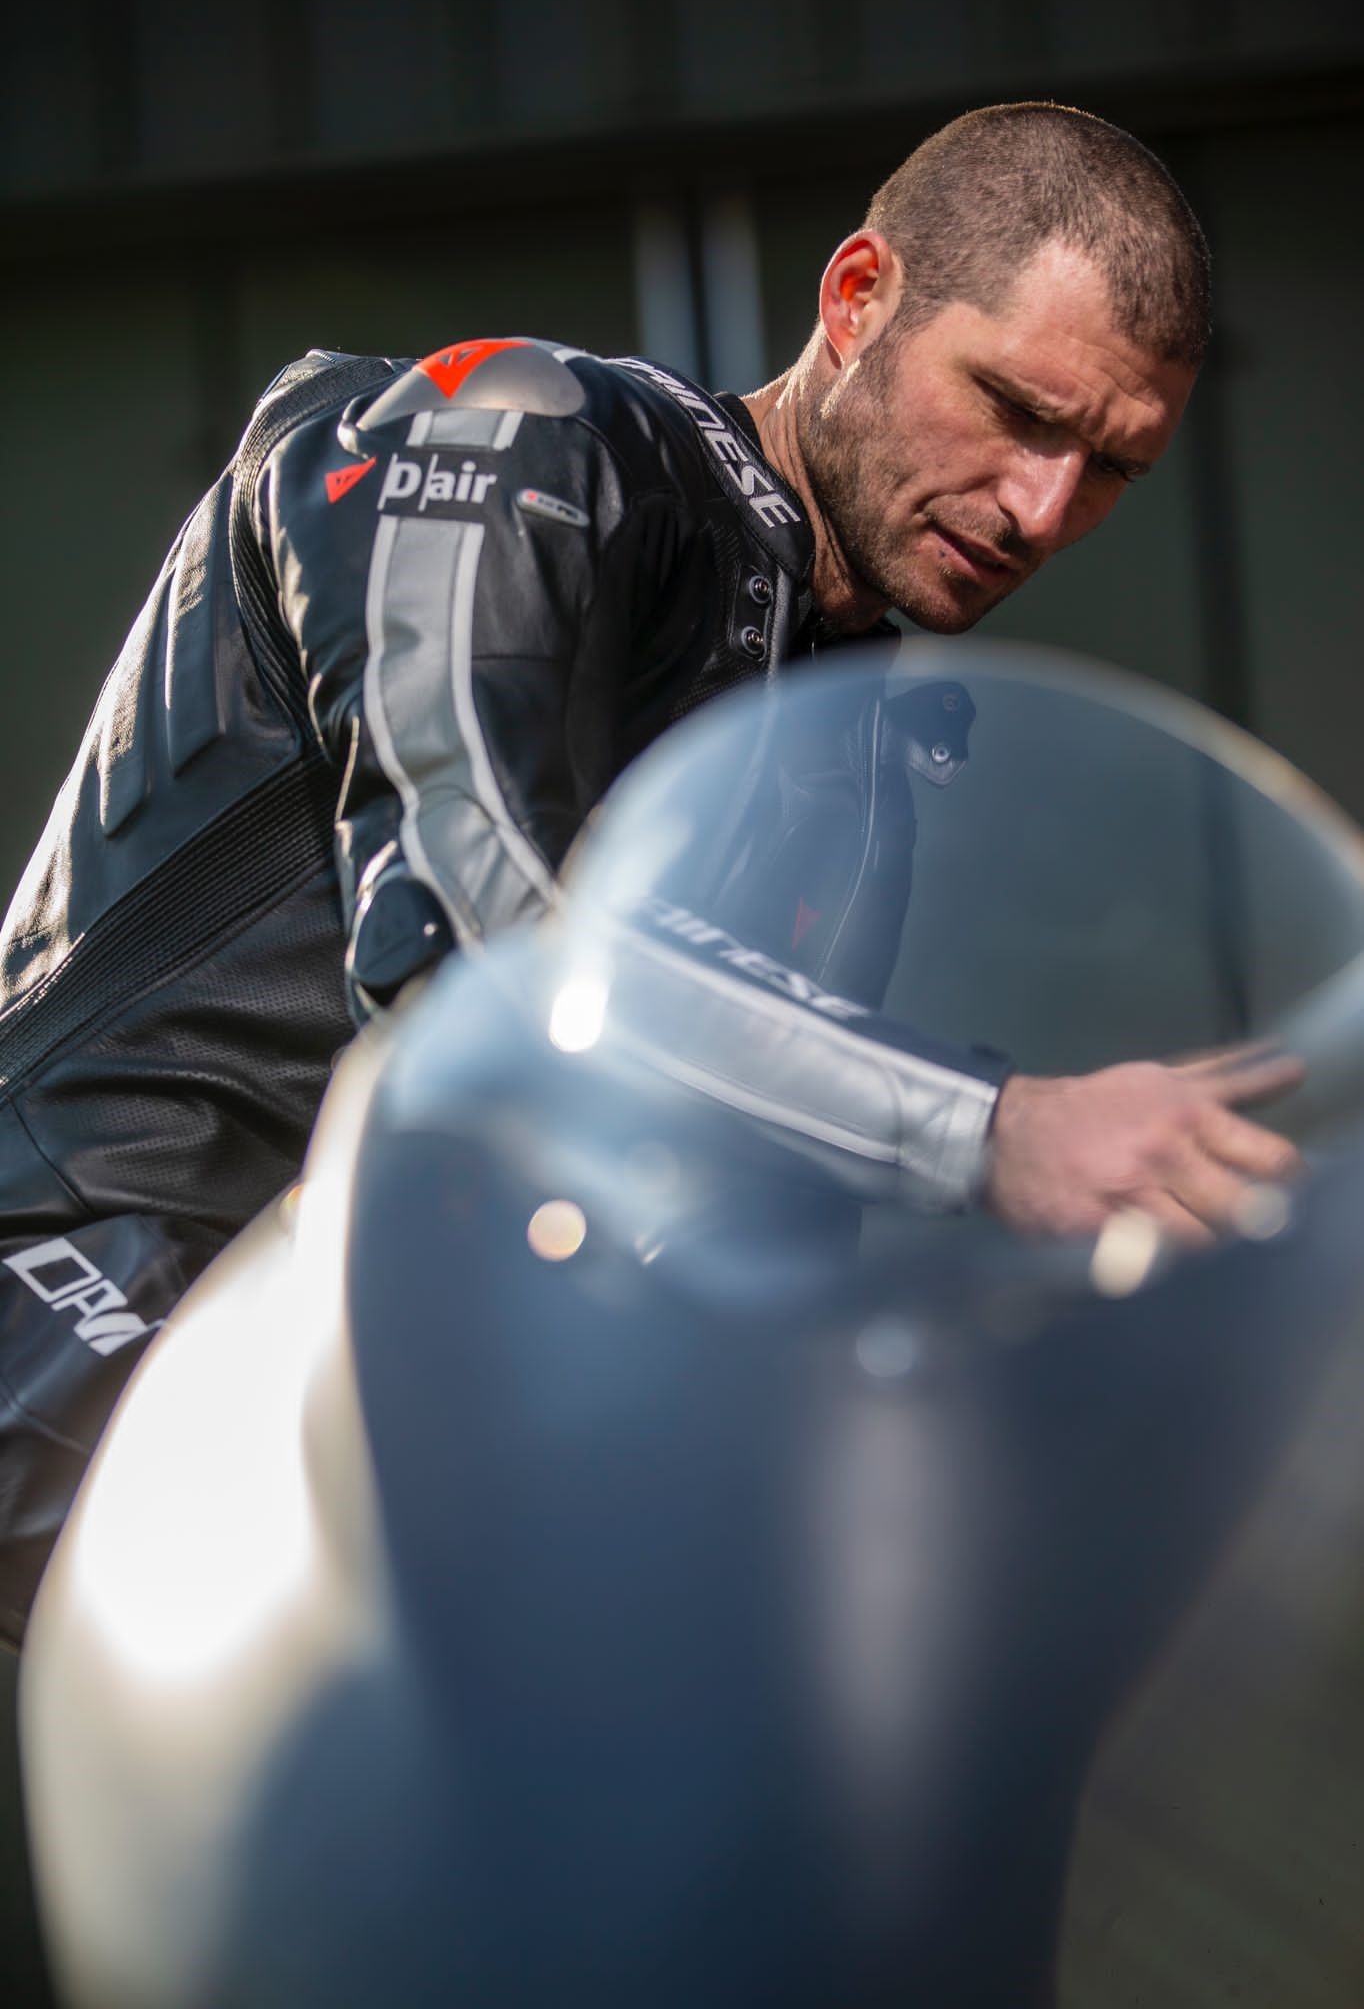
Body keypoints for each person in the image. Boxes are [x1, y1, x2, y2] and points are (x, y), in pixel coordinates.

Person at [0, 102, 1299, 1643]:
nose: (1041, 509)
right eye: (1017, 409)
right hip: (76, 1295)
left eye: (1110, 470)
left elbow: (732, 1239)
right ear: (859, 294)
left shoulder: (842, 743)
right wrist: (987, 1126)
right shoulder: (507, 437)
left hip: (351, 1421)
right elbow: (472, 943)